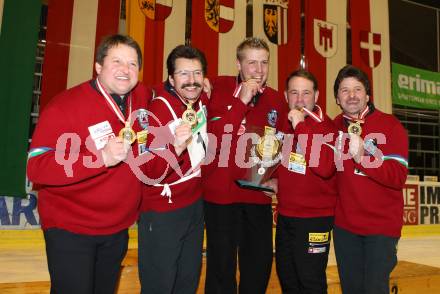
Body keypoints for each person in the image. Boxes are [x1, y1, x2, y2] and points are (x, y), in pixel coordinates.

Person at [27, 34, 151, 293]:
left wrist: (204, 83)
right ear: (98, 66)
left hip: (117, 228)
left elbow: (170, 90)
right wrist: (99, 159)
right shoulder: (64, 107)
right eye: (116, 61)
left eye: (132, 64)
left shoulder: (141, 97)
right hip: (71, 228)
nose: (125, 70)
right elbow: (37, 166)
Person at [203, 37, 288, 293]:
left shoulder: (276, 100)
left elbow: (284, 145)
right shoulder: (217, 87)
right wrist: (241, 101)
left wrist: (277, 180)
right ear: (238, 64)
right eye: (252, 63)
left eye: (264, 63)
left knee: (259, 265)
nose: (259, 70)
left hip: (256, 197)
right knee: (221, 268)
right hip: (220, 198)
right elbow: (214, 137)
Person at [138, 45, 209, 294]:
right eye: (183, 74)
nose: (192, 81)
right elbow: (148, 171)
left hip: (193, 206)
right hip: (163, 211)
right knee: (160, 283)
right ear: (170, 79)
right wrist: (174, 147)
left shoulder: (197, 102)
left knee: (186, 281)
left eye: (197, 74)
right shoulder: (158, 110)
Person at [332, 65, 408, 294]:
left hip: (380, 228)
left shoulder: (390, 125)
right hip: (345, 228)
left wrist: (363, 157)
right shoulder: (333, 127)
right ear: (337, 98)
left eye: (357, 89)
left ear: (368, 95)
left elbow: (398, 176)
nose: (352, 95)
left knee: (374, 289)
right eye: (344, 90)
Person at [267, 70, 337, 293]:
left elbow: (324, 167)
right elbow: (283, 161)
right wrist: (275, 179)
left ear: (316, 95)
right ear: (286, 96)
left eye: (306, 93)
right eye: (294, 93)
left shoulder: (328, 128)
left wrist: (300, 125)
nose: (299, 99)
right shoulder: (285, 127)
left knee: (310, 281)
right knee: (288, 279)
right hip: (286, 217)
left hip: (315, 220)